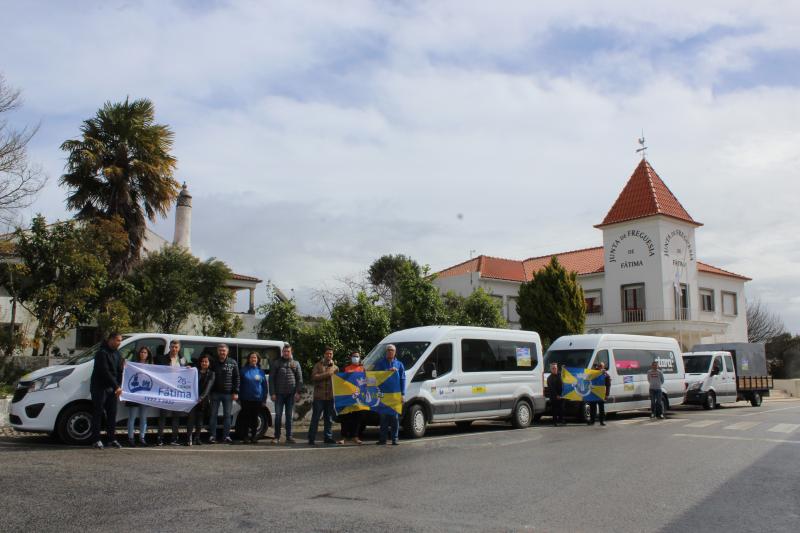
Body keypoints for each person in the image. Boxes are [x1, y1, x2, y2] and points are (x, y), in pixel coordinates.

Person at [90, 332, 124, 449]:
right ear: (110, 340)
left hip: (112, 389)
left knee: (112, 414)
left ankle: (111, 438)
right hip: (100, 387)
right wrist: (116, 386)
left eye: (120, 341)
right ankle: (96, 439)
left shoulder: (118, 354)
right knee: (98, 413)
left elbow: (119, 371)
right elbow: (105, 372)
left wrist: (119, 385)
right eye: (117, 340)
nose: (119, 343)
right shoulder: (101, 353)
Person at [269, 343, 303, 444]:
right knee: (278, 416)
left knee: (289, 416)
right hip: (279, 394)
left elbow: (299, 379)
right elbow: (271, 379)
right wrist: (272, 393)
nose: (286, 353)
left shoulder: (296, 363)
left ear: (291, 352)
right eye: (284, 351)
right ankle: (276, 437)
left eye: (288, 351)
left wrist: (298, 392)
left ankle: (289, 437)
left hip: (291, 395)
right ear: (282, 352)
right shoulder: (276, 363)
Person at [374, 344, 406, 446]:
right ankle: (382, 439)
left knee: (395, 418)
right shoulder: (380, 363)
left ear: (395, 352)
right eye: (388, 350)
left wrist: (403, 394)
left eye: (392, 350)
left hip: (395, 395)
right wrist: (387, 372)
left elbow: (403, 379)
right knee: (383, 418)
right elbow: (375, 376)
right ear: (386, 352)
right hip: (383, 395)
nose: (390, 352)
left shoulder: (399, 364)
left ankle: (395, 439)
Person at [156, 339, 186, 446]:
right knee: (163, 415)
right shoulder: (162, 358)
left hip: (177, 392)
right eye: (172, 347)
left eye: (176, 347)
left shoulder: (182, 360)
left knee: (175, 416)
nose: (174, 349)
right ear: (169, 347)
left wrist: (188, 369)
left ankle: (174, 439)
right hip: (165, 391)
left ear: (179, 348)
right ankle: (160, 438)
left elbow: (185, 373)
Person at [307, 347, 339, 446]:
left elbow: (338, 382)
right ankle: (311, 438)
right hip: (319, 398)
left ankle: (328, 437)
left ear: (332, 355)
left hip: (330, 397)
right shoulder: (318, 365)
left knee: (328, 419)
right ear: (324, 355)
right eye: (327, 353)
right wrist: (327, 374)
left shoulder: (336, 368)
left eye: (331, 354)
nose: (329, 355)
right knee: (315, 418)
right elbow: (314, 377)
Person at [209, 343, 240, 444]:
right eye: (220, 350)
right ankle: (212, 436)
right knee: (213, 415)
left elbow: (237, 378)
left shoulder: (233, 362)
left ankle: (226, 436)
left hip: (228, 394)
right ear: (217, 351)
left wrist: (236, 392)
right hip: (215, 393)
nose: (222, 352)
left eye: (224, 350)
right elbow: (209, 377)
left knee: (227, 416)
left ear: (227, 351)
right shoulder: (213, 362)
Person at [186, 353, 215, 446]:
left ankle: (197, 438)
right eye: (202, 361)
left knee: (199, 420)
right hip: (192, 399)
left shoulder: (212, 374)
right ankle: (189, 438)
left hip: (203, 400)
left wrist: (201, 398)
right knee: (191, 419)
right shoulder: (195, 371)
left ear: (209, 363)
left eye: (206, 361)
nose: (204, 363)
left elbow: (208, 387)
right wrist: (187, 369)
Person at [126, 346, 152, 446]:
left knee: (143, 417)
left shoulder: (151, 366)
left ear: (148, 354)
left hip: (145, 395)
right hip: (134, 394)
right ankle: (130, 437)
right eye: (141, 352)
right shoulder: (132, 364)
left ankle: (142, 437)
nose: (143, 354)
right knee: (132, 417)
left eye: (145, 352)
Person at [239, 352, 268, 444]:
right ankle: (246, 437)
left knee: (255, 419)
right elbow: (239, 385)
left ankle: (254, 437)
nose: (253, 359)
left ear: (258, 359)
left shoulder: (261, 372)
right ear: (248, 359)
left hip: (257, 399)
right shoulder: (243, 370)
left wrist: (264, 399)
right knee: (245, 419)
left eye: (255, 358)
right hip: (245, 399)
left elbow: (264, 387)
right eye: (251, 357)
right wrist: (238, 397)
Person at [337, 350, 365, 445]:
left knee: (357, 417)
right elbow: (341, 380)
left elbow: (366, 380)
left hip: (358, 397)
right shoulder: (346, 368)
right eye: (354, 356)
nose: (355, 358)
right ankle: (343, 437)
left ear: (359, 358)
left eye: (357, 356)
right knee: (345, 417)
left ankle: (355, 437)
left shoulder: (362, 369)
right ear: (351, 358)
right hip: (347, 396)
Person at [589, 362, 612, 426]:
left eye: (601, 366)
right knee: (592, 408)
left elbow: (608, 385)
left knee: (601, 408)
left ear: (603, 367)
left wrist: (607, 394)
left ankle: (602, 421)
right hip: (593, 393)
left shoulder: (605, 374)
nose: (600, 367)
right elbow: (588, 378)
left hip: (601, 394)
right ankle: (592, 421)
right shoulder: (593, 373)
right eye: (599, 366)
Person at [547, 362, 564, 427]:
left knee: (562, 409)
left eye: (555, 368)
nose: (555, 369)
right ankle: (555, 422)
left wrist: (564, 369)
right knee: (555, 410)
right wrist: (557, 395)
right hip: (554, 396)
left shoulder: (561, 375)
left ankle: (561, 421)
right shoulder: (549, 378)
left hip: (562, 395)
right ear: (551, 369)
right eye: (553, 368)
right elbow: (551, 389)